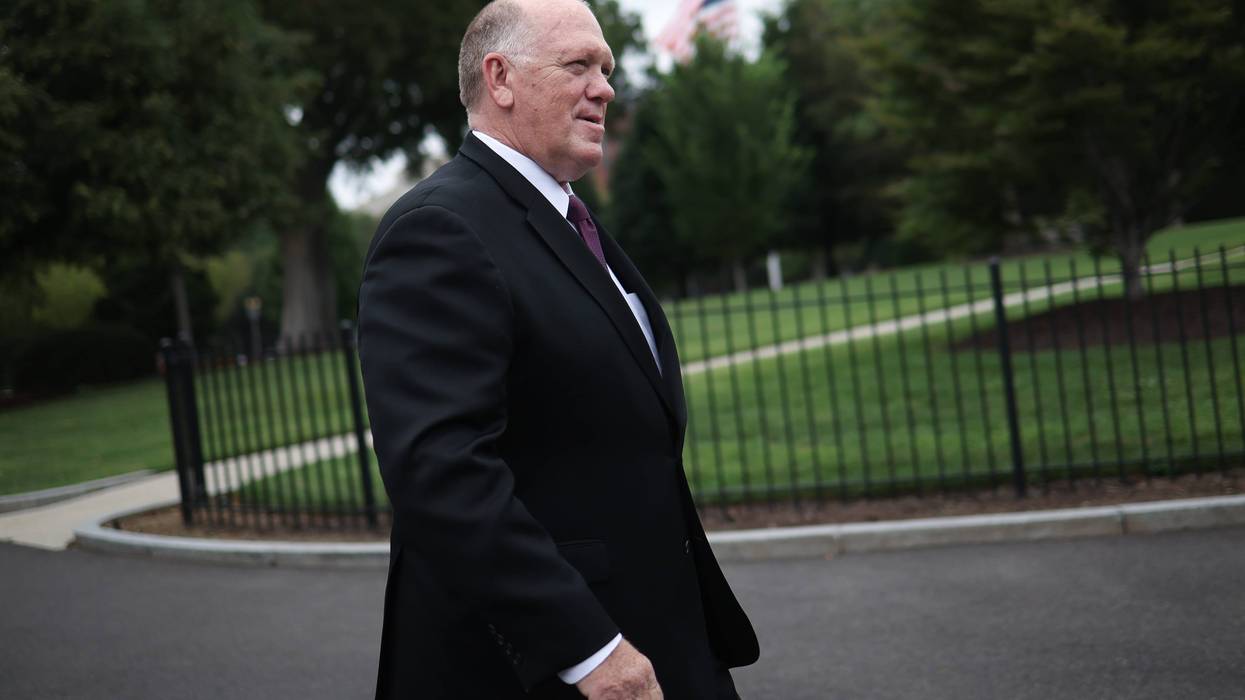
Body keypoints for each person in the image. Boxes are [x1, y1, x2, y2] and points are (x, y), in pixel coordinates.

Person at [357, 0, 758, 697]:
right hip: (550, 666)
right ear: (501, 78)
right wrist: (590, 651)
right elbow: (442, 472)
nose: (604, 86)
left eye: (605, 68)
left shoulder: (566, 219)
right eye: (578, 65)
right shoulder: (440, 229)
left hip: (659, 637)